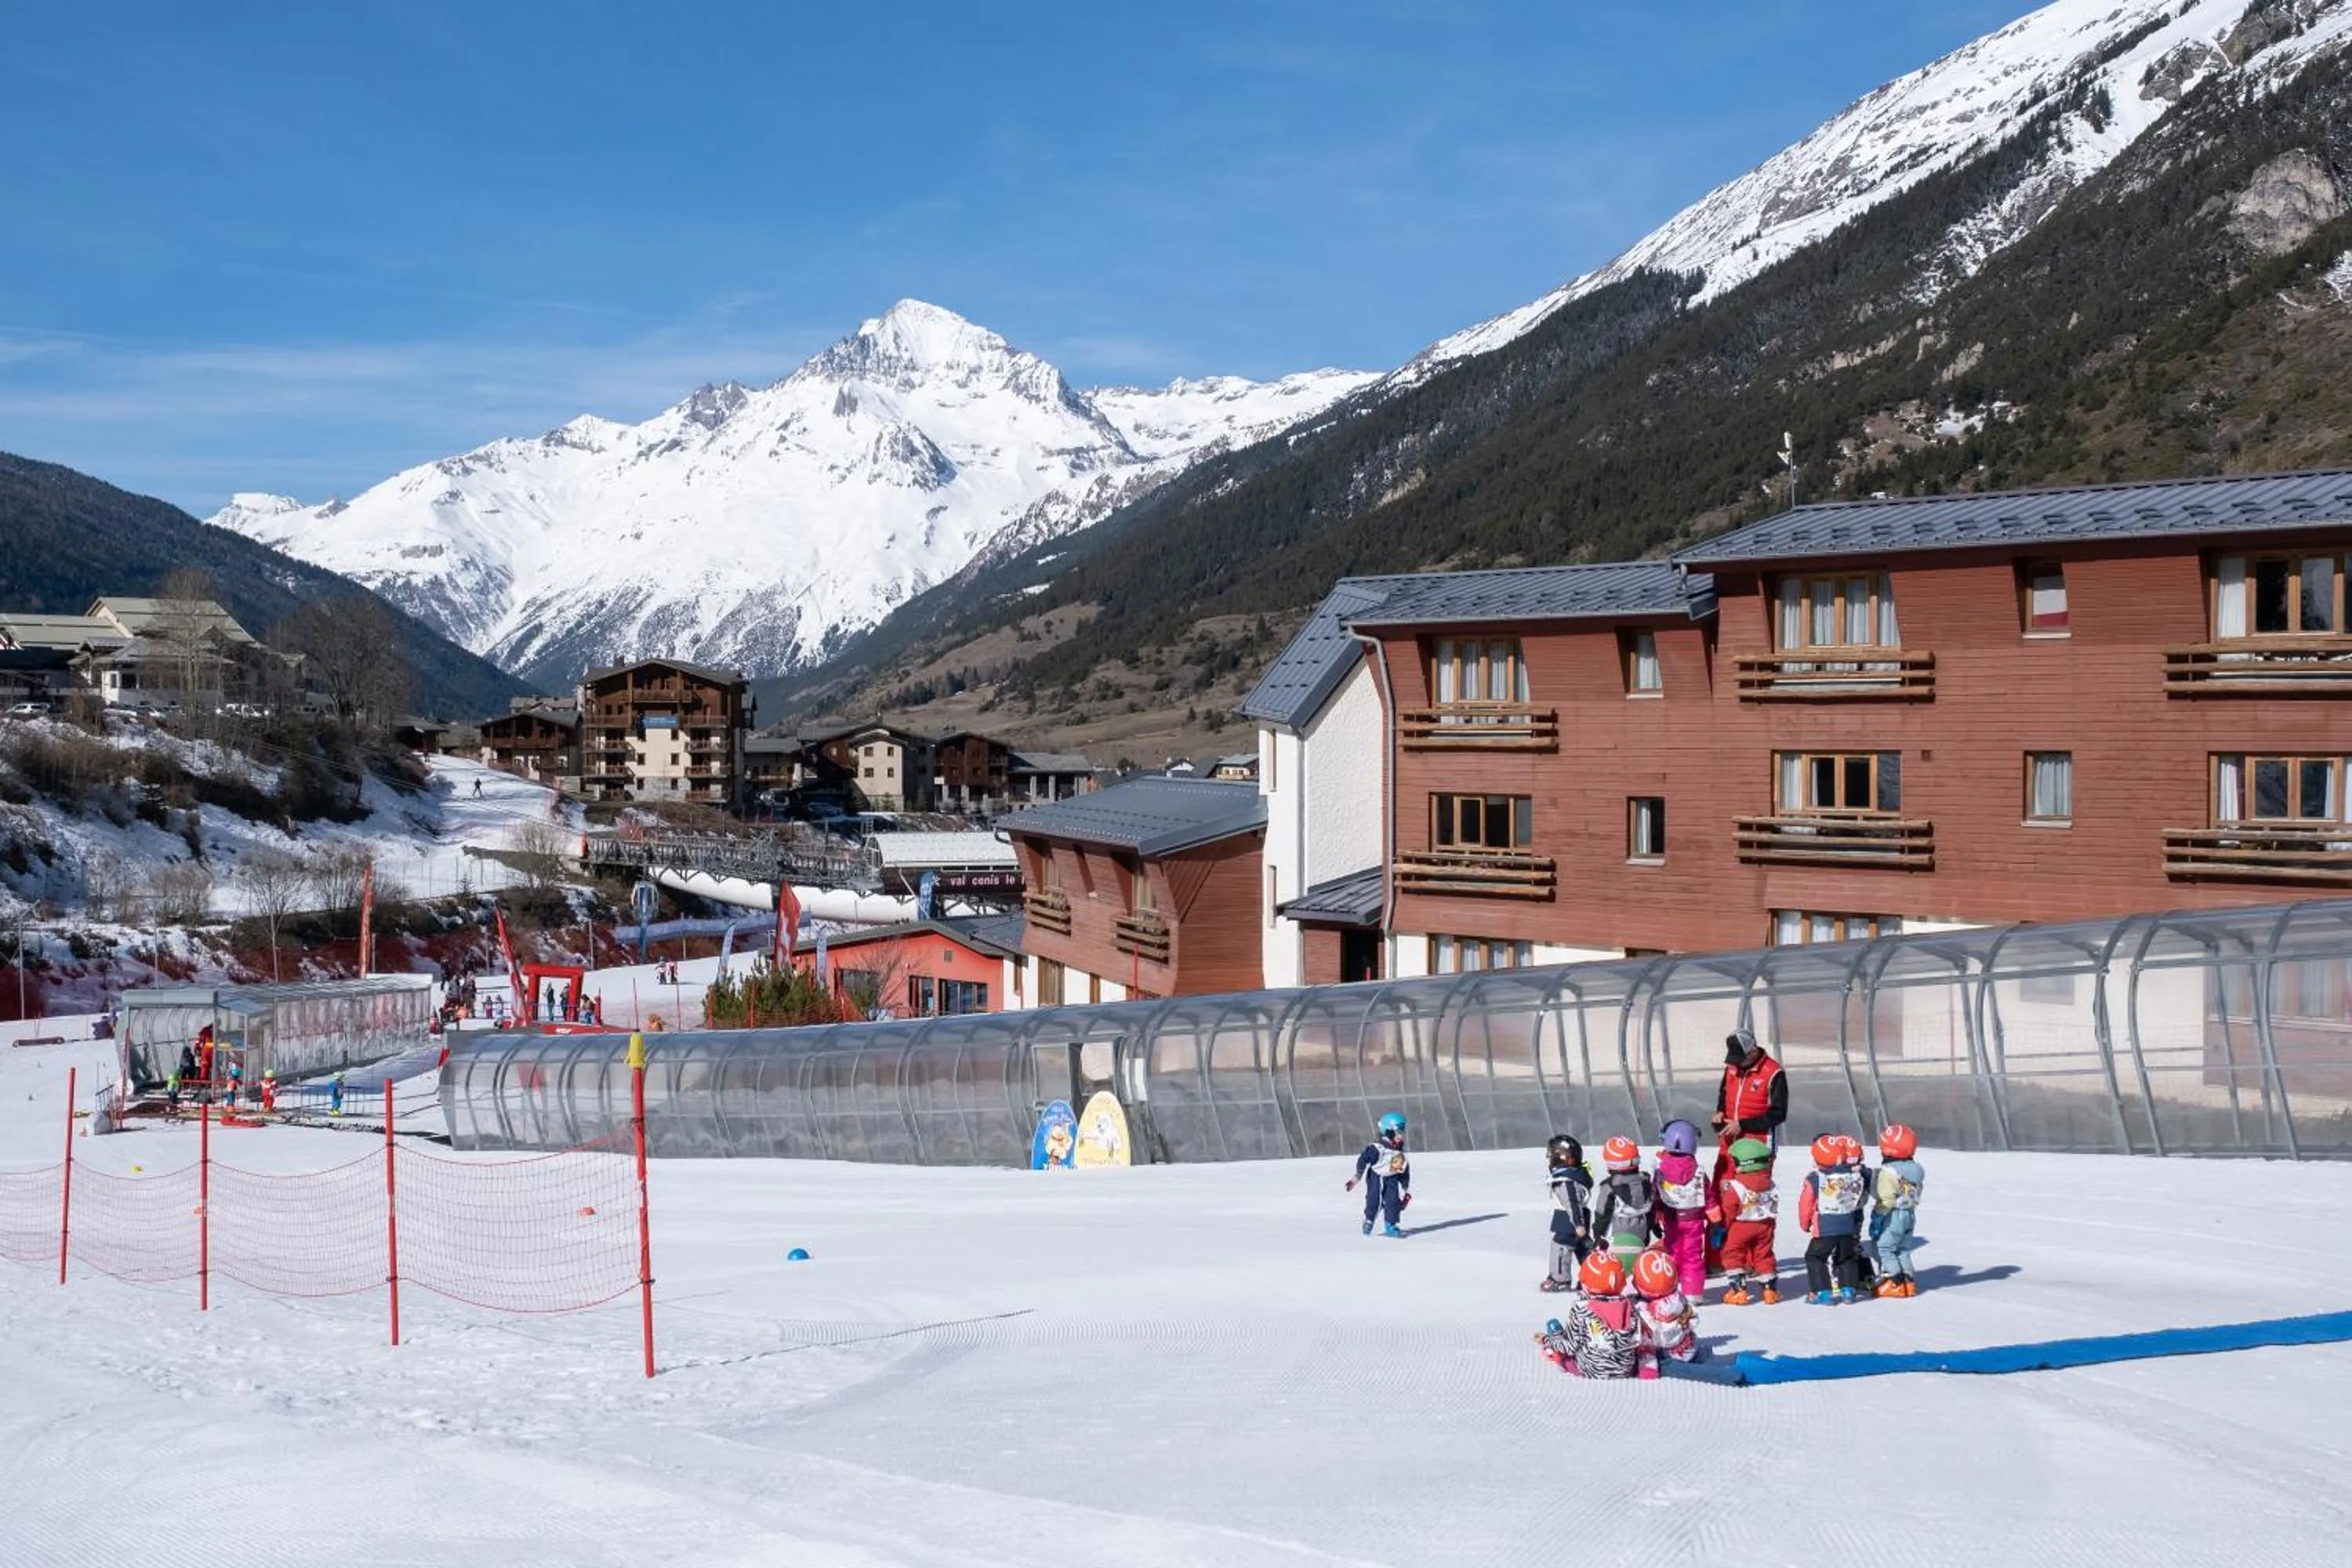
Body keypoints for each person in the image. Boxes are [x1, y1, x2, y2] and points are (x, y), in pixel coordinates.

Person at [1709, 1028, 1788, 1269]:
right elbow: (1723, 1095)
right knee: (1721, 1195)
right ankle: (1718, 1258)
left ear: (1753, 1051)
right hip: (1730, 1142)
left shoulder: (1774, 1073)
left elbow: (1778, 1114)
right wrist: (1719, 1114)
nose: (1736, 1064)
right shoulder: (1732, 1068)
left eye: (1740, 1058)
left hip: (1757, 1147)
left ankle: (1753, 1261)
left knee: (1752, 1202)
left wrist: (1743, 1125)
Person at [1534, 1251, 1652, 1379]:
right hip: (1626, 1369)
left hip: (1593, 1370)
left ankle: (1558, 1353)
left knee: (1567, 1355)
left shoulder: (1582, 1308)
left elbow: (1570, 1346)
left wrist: (1547, 1340)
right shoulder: (1629, 1306)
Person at [1798, 1134, 1869, 1304]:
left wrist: (1805, 1223)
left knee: (1815, 1257)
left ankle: (1822, 1292)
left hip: (1825, 1227)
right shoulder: (1854, 1176)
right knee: (1847, 1257)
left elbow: (1806, 1203)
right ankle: (1848, 1290)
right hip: (1848, 1226)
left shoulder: (1815, 1179)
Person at [1717, 1137, 1780, 1305]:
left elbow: (1729, 1209)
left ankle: (1739, 1291)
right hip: (1765, 1225)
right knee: (1764, 1254)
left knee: (1733, 1254)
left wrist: (1724, 1227)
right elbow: (1774, 1203)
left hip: (1741, 1226)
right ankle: (1770, 1290)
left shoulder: (1736, 1186)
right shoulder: (1770, 1184)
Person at [1653, 1119, 1710, 1300]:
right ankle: (1693, 1293)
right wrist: (1714, 1212)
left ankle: (1670, 1287)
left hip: (1672, 1220)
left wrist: (1657, 1212)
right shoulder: (1699, 1172)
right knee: (1693, 1256)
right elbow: (1708, 1194)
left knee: (1673, 1253)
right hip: (1694, 1220)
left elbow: (1656, 1194)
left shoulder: (1660, 1170)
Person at [1868, 1123, 1926, 1298]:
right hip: (1909, 1213)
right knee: (1903, 1249)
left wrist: (1878, 1214)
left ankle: (1893, 1281)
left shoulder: (1888, 1172)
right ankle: (1908, 1282)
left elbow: (1887, 1198)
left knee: (1884, 1248)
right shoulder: (1917, 1170)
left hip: (1892, 1215)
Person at [1589, 1135, 1656, 1273]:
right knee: (1636, 1267)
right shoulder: (1646, 1182)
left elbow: (1602, 1214)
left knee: (1617, 1269)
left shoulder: (1609, 1186)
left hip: (1616, 1238)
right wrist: (1652, 1226)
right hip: (1641, 1235)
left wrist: (1598, 1235)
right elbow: (1651, 1209)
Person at [1632, 1247, 1702, 1367]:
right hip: (1688, 1348)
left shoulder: (1644, 1309)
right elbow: (1693, 1318)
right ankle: (1699, 1355)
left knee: (1671, 1367)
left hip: (1669, 1357)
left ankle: (1728, 1374)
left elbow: (1650, 1338)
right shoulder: (1680, 1299)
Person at [1541, 1134, 1593, 1293]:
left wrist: (1578, 1224)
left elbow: (1572, 1203)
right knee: (1583, 1250)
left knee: (1561, 1247)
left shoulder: (1567, 1181)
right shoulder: (1572, 1176)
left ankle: (1560, 1279)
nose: (1550, 1159)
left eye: (1552, 1156)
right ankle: (1592, 1278)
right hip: (1575, 1221)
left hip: (1569, 1223)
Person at [1347, 1111, 1412, 1238]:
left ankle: (1390, 1225)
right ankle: (1369, 1219)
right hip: (1376, 1177)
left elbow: (1404, 1169)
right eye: (1398, 1132)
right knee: (1374, 1200)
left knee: (1393, 1201)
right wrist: (1358, 1176)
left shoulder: (1399, 1152)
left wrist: (1405, 1187)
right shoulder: (1377, 1148)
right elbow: (1363, 1159)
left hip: (1391, 1178)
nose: (1401, 1135)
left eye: (1402, 1132)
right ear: (1388, 1131)